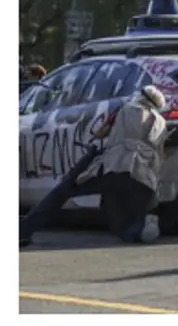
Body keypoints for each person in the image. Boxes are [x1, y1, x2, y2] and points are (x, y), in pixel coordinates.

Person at [22, 85, 169, 247]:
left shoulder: (124, 109)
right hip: (143, 177)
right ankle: (143, 226)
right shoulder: (161, 122)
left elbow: (100, 133)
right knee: (124, 226)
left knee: (64, 190)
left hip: (115, 166)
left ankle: (23, 231)